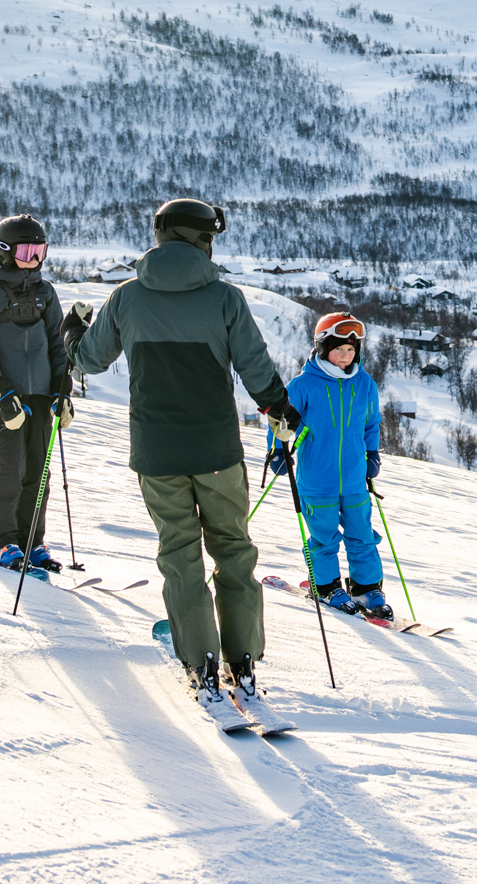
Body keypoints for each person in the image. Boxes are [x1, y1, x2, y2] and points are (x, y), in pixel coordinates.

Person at [68, 197, 297, 713]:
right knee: (233, 550)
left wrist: (72, 335)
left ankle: (200, 664)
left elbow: (89, 361)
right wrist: (278, 407)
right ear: (202, 240)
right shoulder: (225, 298)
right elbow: (255, 367)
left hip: (157, 452)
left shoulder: (127, 298)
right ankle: (243, 663)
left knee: (180, 556)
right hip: (217, 449)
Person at [0, 213, 71, 571]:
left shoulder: (45, 292)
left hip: (41, 397)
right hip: (3, 399)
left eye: (40, 252)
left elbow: (57, 344)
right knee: (9, 470)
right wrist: (0, 394)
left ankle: (31, 540)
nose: (34, 260)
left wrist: (62, 390)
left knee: (38, 473)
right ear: (4, 250)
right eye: (26, 252)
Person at [273, 311, 389, 618]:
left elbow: (371, 423)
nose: (346, 355)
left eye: (351, 349)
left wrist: (372, 454)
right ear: (323, 348)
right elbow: (282, 420)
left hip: (354, 478)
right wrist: (277, 452)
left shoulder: (364, 383)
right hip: (317, 478)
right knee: (324, 537)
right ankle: (326, 587)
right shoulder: (304, 384)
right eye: (339, 349)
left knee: (362, 535)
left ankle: (367, 589)